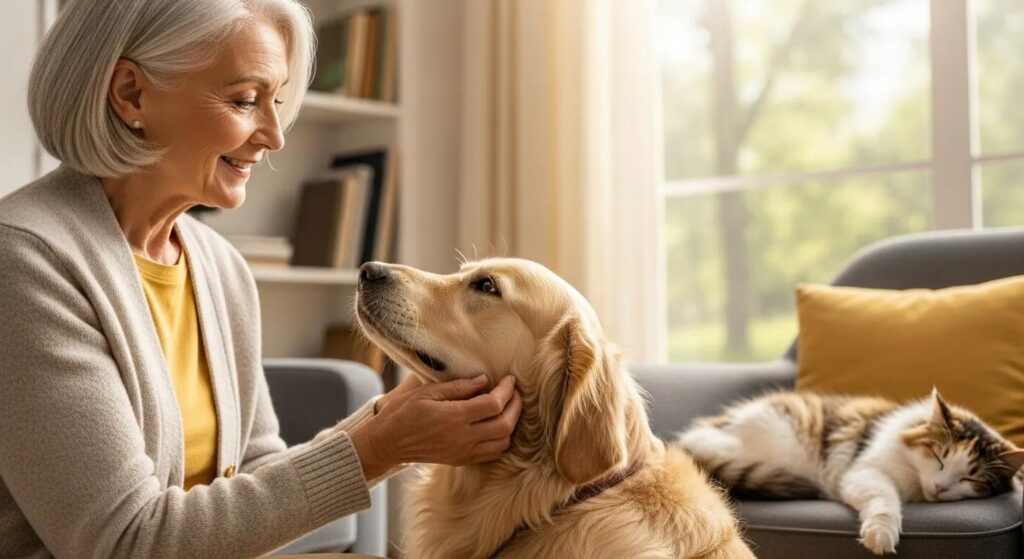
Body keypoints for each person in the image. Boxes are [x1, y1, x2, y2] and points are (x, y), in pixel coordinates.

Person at [0, 1, 522, 557]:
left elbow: (256, 478)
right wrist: (379, 447)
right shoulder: (25, 262)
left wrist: (386, 422)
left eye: (276, 101)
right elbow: (126, 541)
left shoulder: (220, 267)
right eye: (245, 100)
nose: (273, 136)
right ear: (131, 94)